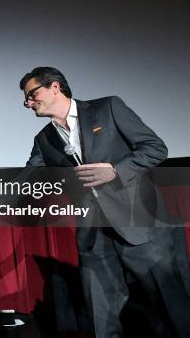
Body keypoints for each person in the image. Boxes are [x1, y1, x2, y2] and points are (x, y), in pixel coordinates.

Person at [19, 67, 190, 337]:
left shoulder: (107, 108)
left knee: (173, 308)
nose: (27, 103)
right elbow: (26, 180)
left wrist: (115, 170)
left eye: (31, 94)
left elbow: (156, 148)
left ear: (54, 87)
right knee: (101, 320)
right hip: (93, 236)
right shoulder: (44, 140)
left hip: (140, 225)